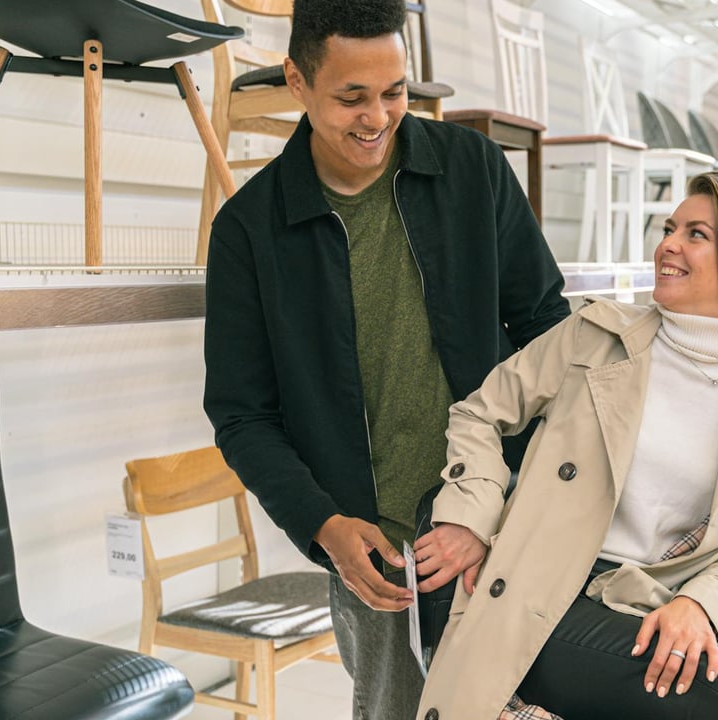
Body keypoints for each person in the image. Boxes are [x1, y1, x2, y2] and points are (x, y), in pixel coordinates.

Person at [200, 0, 570, 717]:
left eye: (395, 92)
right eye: (351, 97)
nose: (377, 117)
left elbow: (545, 329)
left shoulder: (473, 170)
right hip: (376, 557)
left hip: (503, 518)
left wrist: (519, 493)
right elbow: (243, 415)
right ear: (298, 83)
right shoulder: (248, 231)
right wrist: (322, 525)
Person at [414, 171, 718, 720]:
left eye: (696, 234)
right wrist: (468, 515)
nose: (668, 245)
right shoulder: (595, 335)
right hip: (547, 590)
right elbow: (479, 413)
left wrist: (701, 605)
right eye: (669, 228)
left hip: (651, 601)